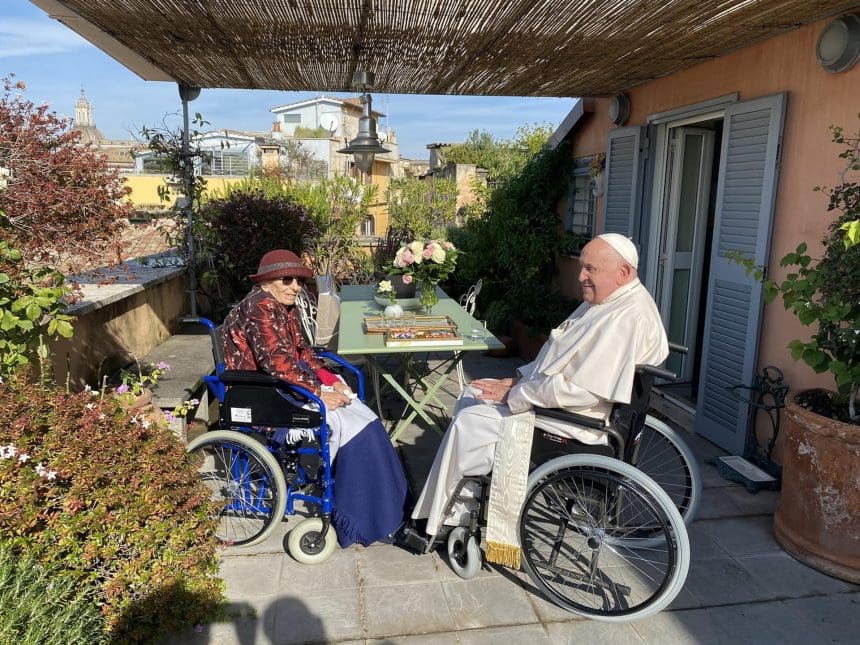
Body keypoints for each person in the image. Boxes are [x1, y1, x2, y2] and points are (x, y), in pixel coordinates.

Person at [408, 234, 669, 562]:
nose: (580, 276)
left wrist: (517, 393)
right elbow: (560, 353)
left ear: (623, 272)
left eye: (590, 268)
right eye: (581, 267)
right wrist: (517, 376)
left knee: (472, 420)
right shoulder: (608, 299)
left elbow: (578, 390)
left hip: (579, 423)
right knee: (474, 391)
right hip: (564, 403)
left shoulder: (625, 317)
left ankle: (448, 519)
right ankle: (456, 504)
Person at [221, 249, 408, 548]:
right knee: (342, 420)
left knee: (360, 413)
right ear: (267, 282)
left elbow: (302, 353)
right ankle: (361, 515)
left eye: (298, 280)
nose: (295, 286)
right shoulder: (260, 308)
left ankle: (385, 503)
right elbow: (277, 364)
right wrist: (320, 392)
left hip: (280, 385)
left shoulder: (283, 305)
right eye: (287, 279)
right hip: (259, 394)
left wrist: (329, 379)